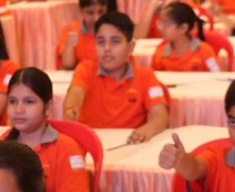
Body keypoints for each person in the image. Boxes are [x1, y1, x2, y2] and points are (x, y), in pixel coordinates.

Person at [63, 12, 169, 142]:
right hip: (92, 143)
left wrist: (145, 131)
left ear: (130, 47)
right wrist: (71, 110)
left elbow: (161, 116)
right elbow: (76, 92)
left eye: (115, 41)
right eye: (101, 42)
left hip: (131, 145)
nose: (107, 48)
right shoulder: (86, 69)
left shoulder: (145, 76)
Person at [3, 68, 91, 192]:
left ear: (48, 107)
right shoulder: (0, 147)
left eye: (29, 102)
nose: (18, 109)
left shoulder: (66, 149)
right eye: (12, 101)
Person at [151, 2, 221, 72]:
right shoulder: (160, 52)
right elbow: (152, 77)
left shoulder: (205, 51)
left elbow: (217, 74)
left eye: (166, 24)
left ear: (183, 28)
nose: (161, 28)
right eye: (160, 23)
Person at [56, 0, 106, 69]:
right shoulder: (70, 29)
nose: (96, 18)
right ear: (81, 10)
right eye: (90, 13)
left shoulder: (112, 31)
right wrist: (69, 44)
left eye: (101, 12)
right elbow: (68, 65)